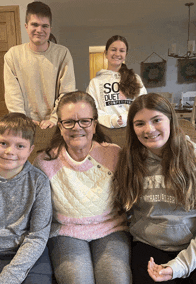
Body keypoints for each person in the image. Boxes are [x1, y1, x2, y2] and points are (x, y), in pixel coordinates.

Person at [33, 91, 132, 284]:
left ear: (94, 124)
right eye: (69, 122)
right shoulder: (45, 162)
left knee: (117, 279)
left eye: (85, 121)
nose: (77, 127)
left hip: (110, 229)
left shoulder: (113, 154)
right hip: (66, 232)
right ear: (60, 127)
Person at [113, 93, 196, 284]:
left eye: (156, 120)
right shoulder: (128, 161)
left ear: (171, 120)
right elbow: (121, 208)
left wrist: (179, 266)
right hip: (147, 246)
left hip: (190, 247)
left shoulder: (192, 159)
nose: (149, 130)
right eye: (140, 123)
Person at [0, 113, 53, 284]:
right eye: (3, 143)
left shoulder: (39, 182)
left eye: (20, 146)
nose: (10, 151)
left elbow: (38, 236)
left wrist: (9, 278)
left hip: (28, 256)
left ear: (30, 150)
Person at [4, 1, 76, 130]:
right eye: (35, 25)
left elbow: (67, 92)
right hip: (23, 124)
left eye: (45, 26)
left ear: (50, 29)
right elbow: (12, 94)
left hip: (57, 123)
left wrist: (54, 119)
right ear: (26, 26)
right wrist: (22, 120)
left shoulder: (63, 53)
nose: (40, 30)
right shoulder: (13, 55)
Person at [86, 35, 147, 128]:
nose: (117, 54)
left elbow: (142, 104)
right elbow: (91, 109)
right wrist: (112, 120)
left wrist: (125, 118)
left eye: (122, 51)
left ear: (125, 55)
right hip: (105, 131)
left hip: (132, 130)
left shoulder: (135, 78)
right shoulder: (95, 83)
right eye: (113, 50)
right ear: (106, 53)